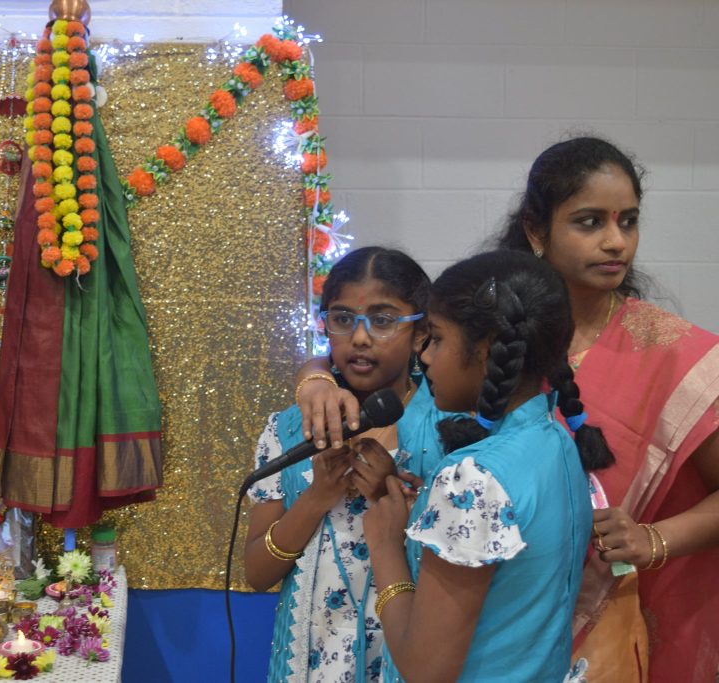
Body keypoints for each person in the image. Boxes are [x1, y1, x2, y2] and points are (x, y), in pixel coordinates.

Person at [495, 136, 719, 682]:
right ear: (536, 230)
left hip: (614, 630)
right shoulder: (489, 332)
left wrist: (651, 539)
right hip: (493, 614)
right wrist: (316, 375)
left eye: (629, 221)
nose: (617, 242)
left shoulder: (675, 354)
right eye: (590, 222)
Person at [363, 250, 611, 682]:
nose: (424, 355)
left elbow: (425, 671)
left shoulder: (473, 479)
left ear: (486, 350)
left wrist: (385, 548)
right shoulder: (555, 438)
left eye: (436, 338)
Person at [244, 246, 439, 682]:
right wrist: (316, 497)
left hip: (406, 657)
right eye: (343, 319)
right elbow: (256, 573)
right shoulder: (289, 430)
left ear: (420, 333)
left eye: (383, 320)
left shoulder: (445, 429)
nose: (361, 337)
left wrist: (392, 495)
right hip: (309, 662)